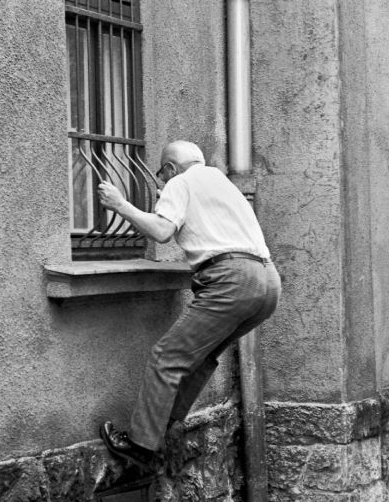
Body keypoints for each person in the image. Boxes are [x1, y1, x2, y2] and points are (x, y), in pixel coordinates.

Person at [96, 140, 281, 469]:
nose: (162, 182)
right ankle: (163, 429)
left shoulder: (179, 182)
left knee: (166, 358)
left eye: (161, 176)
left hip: (232, 280)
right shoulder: (221, 182)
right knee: (199, 356)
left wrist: (120, 205)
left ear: (169, 168)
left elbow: (162, 231)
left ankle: (140, 445)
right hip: (267, 282)